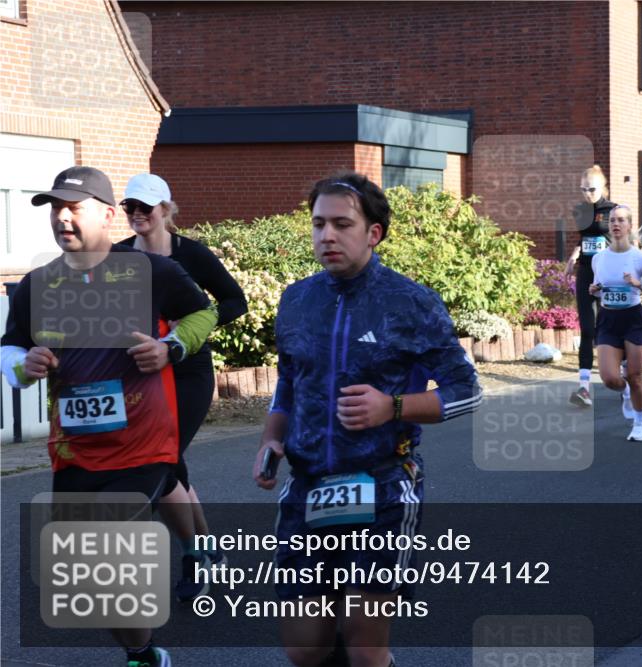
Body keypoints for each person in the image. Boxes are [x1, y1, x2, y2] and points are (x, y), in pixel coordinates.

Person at [253, 172, 481, 667]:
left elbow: (468, 392)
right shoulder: (296, 300)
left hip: (382, 486)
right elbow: (289, 381)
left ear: (372, 233)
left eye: (341, 224)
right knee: (304, 650)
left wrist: (393, 406)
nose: (326, 236)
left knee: (363, 638)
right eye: (318, 225)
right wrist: (273, 439)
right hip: (310, 486)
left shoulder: (411, 302)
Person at [1, 166, 218, 667]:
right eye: (54, 209)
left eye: (72, 207)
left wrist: (171, 347)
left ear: (105, 213)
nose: (61, 217)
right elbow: (10, 347)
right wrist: (24, 364)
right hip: (75, 447)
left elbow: (203, 312)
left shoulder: (153, 273)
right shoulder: (37, 286)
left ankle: (195, 554)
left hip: (144, 439)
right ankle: (143, 652)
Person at [119, 173, 248, 600]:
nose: (137, 215)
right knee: (173, 467)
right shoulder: (117, 256)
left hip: (188, 370)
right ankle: (210, 552)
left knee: (166, 460)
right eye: (129, 208)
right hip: (139, 373)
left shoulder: (191, 254)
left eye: (145, 208)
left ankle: (194, 560)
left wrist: (189, 325)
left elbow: (234, 300)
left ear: (165, 210)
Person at [592, 205, 642, 441]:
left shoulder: (640, 258)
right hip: (608, 318)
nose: (616, 224)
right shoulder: (599, 258)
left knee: (635, 376)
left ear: (629, 225)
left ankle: (640, 423)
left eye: (621, 220)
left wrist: (639, 284)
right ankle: (624, 393)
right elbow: (599, 290)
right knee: (609, 378)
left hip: (633, 318)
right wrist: (594, 290)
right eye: (612, 220)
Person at [565, 165, 616, 407]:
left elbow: (621, 239)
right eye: (583, 189)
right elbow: (585, 238)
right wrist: (574, 255)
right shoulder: (579, 210)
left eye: (592, 189)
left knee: (612, 327)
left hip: (608, 273)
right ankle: (584, 388)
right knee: (587, 329)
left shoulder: (613, 210)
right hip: (586, 272)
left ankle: (625, 373)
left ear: (603, 187)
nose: (588, 194)